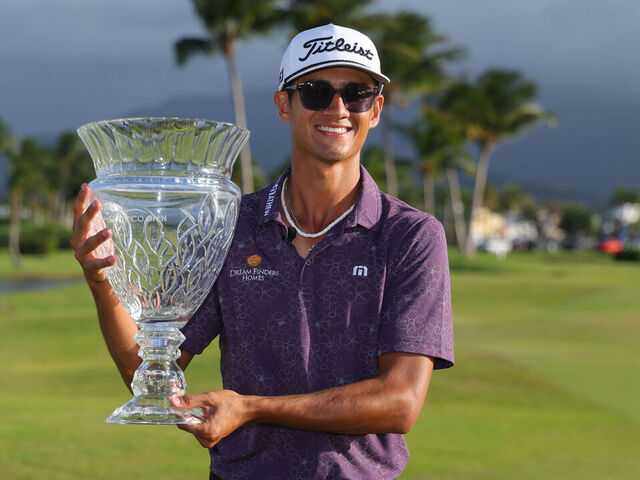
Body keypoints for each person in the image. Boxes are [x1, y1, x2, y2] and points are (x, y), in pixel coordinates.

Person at [72, 24, 454, 480]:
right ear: (283, 104)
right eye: (314, 92)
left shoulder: (409, 235)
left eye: (357, 93)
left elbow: (401, 403)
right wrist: (102, 283)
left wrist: (250, 408)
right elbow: (147, 366)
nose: (337, 108)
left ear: (375, 110)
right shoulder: (232, 224)